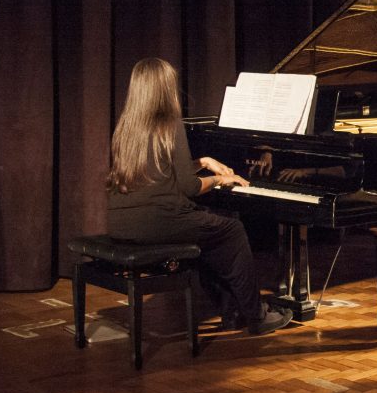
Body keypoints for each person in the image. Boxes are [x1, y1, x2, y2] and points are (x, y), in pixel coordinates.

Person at [106, 57, 292, 335]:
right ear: (165, 89)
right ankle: (256, 316)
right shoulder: (170, 125)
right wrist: (220, 178)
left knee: (210, 236)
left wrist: (204, 161)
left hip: (122, 223)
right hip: (158, 222)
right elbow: (188, 188)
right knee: (232, 230)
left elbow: (162, 172)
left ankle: (231, 310)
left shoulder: (126, 127)